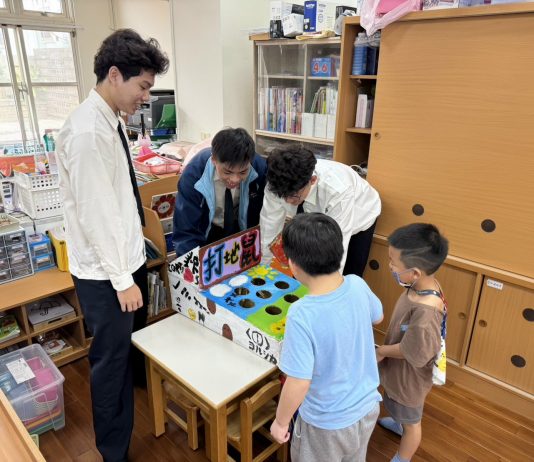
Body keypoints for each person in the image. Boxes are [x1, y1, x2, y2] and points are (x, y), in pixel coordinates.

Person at [56, 29, 169, 462]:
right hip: (107, 274)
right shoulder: (88, 132)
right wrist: (123, 280)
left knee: (127, 349)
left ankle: (133, 401)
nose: (146, 97)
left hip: (125, 258)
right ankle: (113, 452)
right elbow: (96, 213)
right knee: (110, 362)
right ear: (116, 75)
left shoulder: (111, 119)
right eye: (143, 86)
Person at [270, 213, 383, 462]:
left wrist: (280, 422)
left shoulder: (301, 313)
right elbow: (378, 316)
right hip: (367, 407)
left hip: (327, 423)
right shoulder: (356, 283)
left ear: (293, 265)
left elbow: (298, 381)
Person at [376, 223, 449, 462]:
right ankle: (399, 422)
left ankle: (403, 457)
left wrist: (382, 350)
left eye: (393, 262)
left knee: (412, 422)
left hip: (409, 378)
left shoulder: (427, 311)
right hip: (400, 367)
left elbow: (414, 352)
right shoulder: (420, 285)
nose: (390, 266)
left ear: (415, 272)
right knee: (395, 402)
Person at [260, 145, 381, 277]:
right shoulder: (276, 183)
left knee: (349, 273)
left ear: (312, 180)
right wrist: (264, 266)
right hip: (313, 213)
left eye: (293, 196)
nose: (287, 201)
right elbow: (269, 225)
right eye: (282, 196)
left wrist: (328, 286)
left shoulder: (337, 190)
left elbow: (337, 245)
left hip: (360, 214)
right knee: (302, 263)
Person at [172, 127, 267, 256]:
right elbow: (186, 231)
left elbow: (266, 214)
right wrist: (193, 263)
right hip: (206, 231)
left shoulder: (259, 168)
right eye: (227, 172)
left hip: (241, 230)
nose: (235, 179)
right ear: (214, 160)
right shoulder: (194, 175)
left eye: (243, 172)